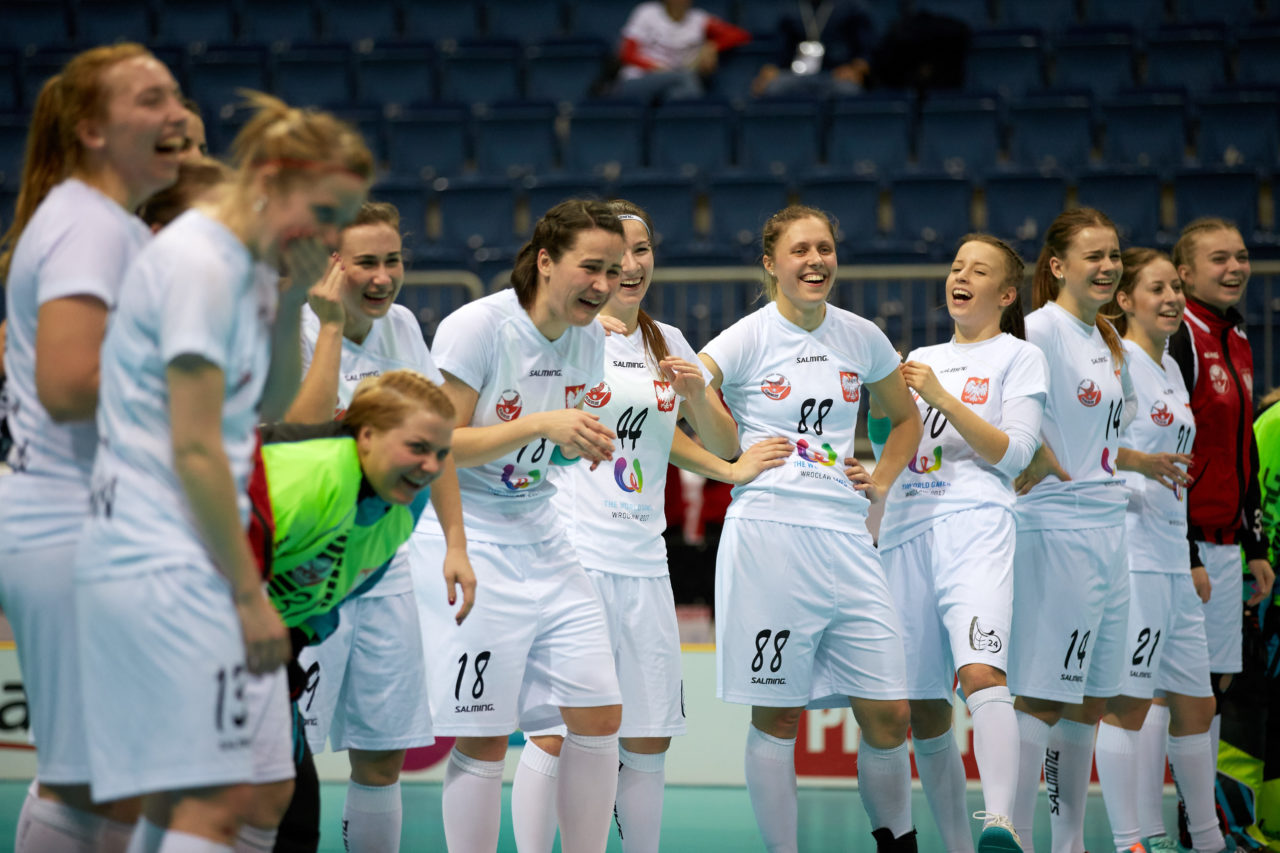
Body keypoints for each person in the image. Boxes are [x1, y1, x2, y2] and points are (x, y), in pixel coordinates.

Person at [72, 91, 372, 852]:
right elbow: (197, 446)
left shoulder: (242, 272)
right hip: (166, 556)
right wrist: (246, 593)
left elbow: (271, 412)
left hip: (195, 543)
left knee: (259, 787)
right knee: (202, 797)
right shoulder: (200, 264)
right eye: (326, 208)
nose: (334, 233)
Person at [507, 200, 791, 853]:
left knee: (649, 731)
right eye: (615, 255)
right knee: (556, 726)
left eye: (641, 251)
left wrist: (720, 443)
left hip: (642, 556)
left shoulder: (665, 340)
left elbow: (708, 435)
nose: (629, 267)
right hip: (573, 551)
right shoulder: (569, 335)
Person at [0, 42, 188, 853]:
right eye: (149, 100)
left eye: (175, 94)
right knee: (92, 781)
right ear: (90, 130)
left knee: (119, 779)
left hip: (95, 525)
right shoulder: (87, 226)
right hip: (72, 530)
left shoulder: (102, 222)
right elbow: (71, 383)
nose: (174, 112)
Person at [699, 204, 924, 852]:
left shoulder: (862, 336)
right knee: (777, 712)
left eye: (824, 247)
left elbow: (903, 420)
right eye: (800, 249)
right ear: (771, 262)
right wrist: (732, 462)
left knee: (889, 711)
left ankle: (897, 842)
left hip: (847, 534)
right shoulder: (745, 336)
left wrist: (879, 481)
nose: (816, 260)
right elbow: (693, 398)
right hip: (770, 531)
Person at [409, 199, 627, 853]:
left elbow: (550, 446)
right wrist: (542, 425)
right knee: (481, 731)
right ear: (545, 261)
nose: (604, 283)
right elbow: (435, 445)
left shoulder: (590, 338)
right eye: (591, 266)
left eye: (614, 271)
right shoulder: (477, 328)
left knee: (599, 713)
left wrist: (576, 441)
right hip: (469, 533)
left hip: (542, 530)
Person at [281, 201, 475, 853]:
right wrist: (331, 327)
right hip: (304, 571)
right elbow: (298, 442)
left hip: (385, 562)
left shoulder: (404, 327)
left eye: (393, 260)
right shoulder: (293, 329)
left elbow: (433, 439)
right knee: (283, 757)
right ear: (330, 266)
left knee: (383, 753)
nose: (384, 276)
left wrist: (453, 541)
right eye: (367, 261)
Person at [871, 235, 1047, 853]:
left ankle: (1001, 823)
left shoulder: (1019, 357)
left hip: (978, 526)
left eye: (978, 271)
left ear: (1005, 293)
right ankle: (956, 845)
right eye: (954, 267)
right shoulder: (918, 356)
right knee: (922, 707)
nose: (959, 277)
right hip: (906, 532)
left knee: (980, 671)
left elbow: (1015, 453)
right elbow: (893, 441)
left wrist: (941, 396)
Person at [252, 368, 456, 853]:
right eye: (417, 447)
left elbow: (340, 585)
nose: (430, 465)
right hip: (186, 632)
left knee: (293, 818)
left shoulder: (404, 503)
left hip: (268, 649)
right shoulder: (303, 479)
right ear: (365, 435)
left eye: (442, 453)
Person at [1007, 207, 1137, 853]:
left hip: (1110, 532)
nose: (1109, 266)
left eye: (1114, 255)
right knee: (1038, 696)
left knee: (1089, 697)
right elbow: (987, 397)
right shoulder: (1037, 330)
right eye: (1095, 255)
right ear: (1058, 265)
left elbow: (1111, 436)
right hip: (1055, 530)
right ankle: (1014, 836)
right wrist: (1021, 449)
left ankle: (1068, 843)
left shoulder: (1108, 336)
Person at [1089, 248, 1227, 853]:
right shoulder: (1114, 366)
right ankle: (1130, 842)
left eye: (1176, 287)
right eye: (1156, 289)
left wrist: (1191, 554)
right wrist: (1138, 463)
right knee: (1129, 703)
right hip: (1131, 555)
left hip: (1171, 554)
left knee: (1196, 704)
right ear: (1124, 301)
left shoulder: (1171, 368)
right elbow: (1075, 443)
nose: (1172, 298)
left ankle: (1208, 837)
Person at [1162, 217, 1275, 847]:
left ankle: (1203, 822)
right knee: (1187, 690)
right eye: (1217, 259)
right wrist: (1185, 549)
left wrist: (1253, 544)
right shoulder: (1183, 338)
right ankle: (1192, 824)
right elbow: (1168, 447)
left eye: (1240, 257)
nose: (1234, 268)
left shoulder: (1237, 338)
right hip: (1189, 542)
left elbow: (1243, 453)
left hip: (1228, 543)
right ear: (1184, 273)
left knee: (1217, 686)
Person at [613, 0, 750, 103]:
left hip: (676, 81)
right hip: (639, 79)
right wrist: (656, 68)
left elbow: (740, 35)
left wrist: (712, 46)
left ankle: (674, 133)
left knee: (679, 93)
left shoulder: (698, 20)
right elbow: (626, 54)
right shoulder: (647, 13)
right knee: (686, 77)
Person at [751, 0, 875, 98]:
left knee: (848, 90)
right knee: (772, 88)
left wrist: (855, 68)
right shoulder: (790, 9)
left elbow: (865, 52)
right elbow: (779, 53)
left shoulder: (852, 7)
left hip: (836, 75)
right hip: (796, 75)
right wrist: (769, 71)